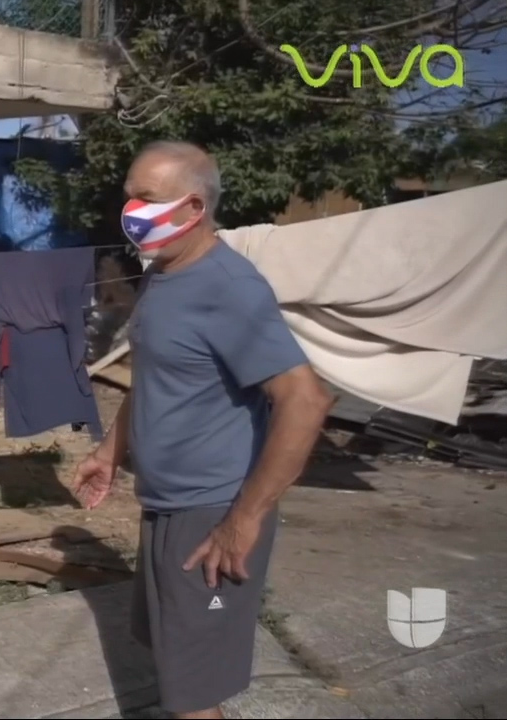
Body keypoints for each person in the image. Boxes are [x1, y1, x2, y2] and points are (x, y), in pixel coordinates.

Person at [73, 141, 333, 719]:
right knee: (174, 666)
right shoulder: (166, 274)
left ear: (193, 207)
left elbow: (306, 400)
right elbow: (156, 378)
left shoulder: (227, 286)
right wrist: (110, 452)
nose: (131, 210)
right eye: (128, 197)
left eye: (146, 198)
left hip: (210, 513)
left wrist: (244, 520)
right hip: (166, 506)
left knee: (193, 696)